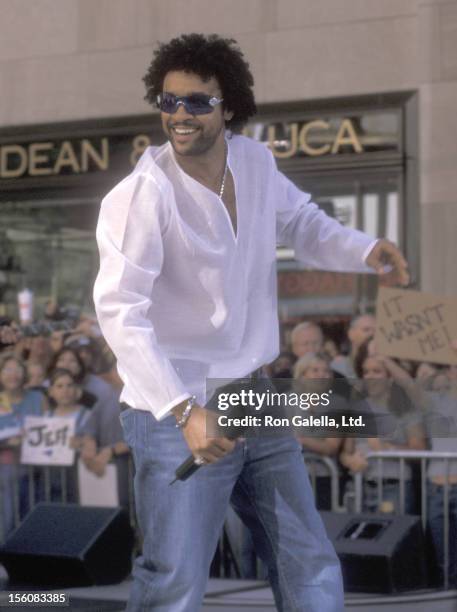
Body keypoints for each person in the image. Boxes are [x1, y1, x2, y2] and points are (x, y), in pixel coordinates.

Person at [93, 33, 409, 612]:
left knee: (307, 558)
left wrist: (364, 250)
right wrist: (184, 411)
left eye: (196, 102)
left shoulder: (256, 161)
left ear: (228, 105)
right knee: (174, 579)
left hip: (254, 392)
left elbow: (304, 225)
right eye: (168, 102)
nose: (180, 115)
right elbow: (119, 313)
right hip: (174, 407)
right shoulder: (141, 197)